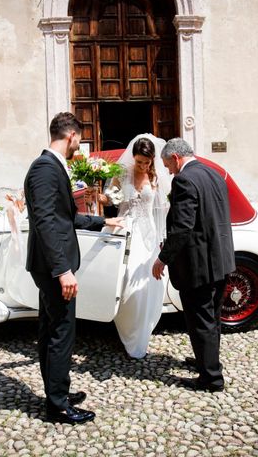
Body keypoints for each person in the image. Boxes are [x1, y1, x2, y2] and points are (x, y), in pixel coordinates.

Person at [24, 112, 122, 425]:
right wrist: (62, 270)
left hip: (52, 265)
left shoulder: (52, 167)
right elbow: (45, 222)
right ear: (71, 136)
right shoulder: (44, 169)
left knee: (52, 330)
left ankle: (58, 393)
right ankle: (57, 406)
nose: (78, 147)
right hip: (54, 267)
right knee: (61, 332)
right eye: (78, 140)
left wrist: (103, 221)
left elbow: (65, 218)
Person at [152, 138, 235, 392]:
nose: (168, 170)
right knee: (211, 317)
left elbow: (183, 227)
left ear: (176, 158)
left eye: (167, 165)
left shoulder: (184, 179)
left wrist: (163, 258)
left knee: (201, 320)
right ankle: (206, 360)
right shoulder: (213, 173)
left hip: (199, 264)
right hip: (220, 260)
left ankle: (211, 378)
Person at [98, 135, 171, 358]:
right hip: (126, 229)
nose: (142, 166)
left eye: (146, 162)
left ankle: (141, 335)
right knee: (127, 282)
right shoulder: (122, 174)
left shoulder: (156, 176)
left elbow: (163, 208)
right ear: (133, 158)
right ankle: (126, 331)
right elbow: (111, 200)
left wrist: (163, 237)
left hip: (148, 235)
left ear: (152, 160)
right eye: (139, 161)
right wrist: (98, 196)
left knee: (146, 284)